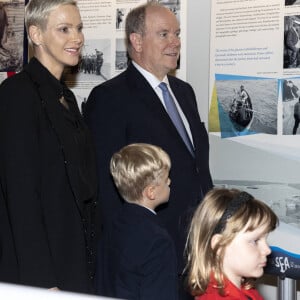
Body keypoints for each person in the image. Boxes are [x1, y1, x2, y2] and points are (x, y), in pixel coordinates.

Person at [83, 2, 212, 298]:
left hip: (196, 248)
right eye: (164, 34)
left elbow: (197, 168)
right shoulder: (109, 98)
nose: (175, 42)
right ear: (137, 41)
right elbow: (107, 184)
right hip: (149, 256)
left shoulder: (185, 93)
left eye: (177, 33)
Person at [0, 0, 97, 293]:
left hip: (74, 259)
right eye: (64, 29)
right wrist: (42, 283)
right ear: (36, 34)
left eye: (79, 28)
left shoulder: (65, 97)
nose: (77, 37)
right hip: (43, 274)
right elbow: (20, 196)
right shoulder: (17, 95)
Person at [99, 143, 178, 299]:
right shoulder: (158, 241)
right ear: (151, 192)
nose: (169, 182)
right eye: (165, 179)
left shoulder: (114, 222)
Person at [185, 188, 278, 300]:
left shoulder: (244, 290)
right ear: (220, 245)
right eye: (255, 241)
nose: (267, 250)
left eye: (265, 239)